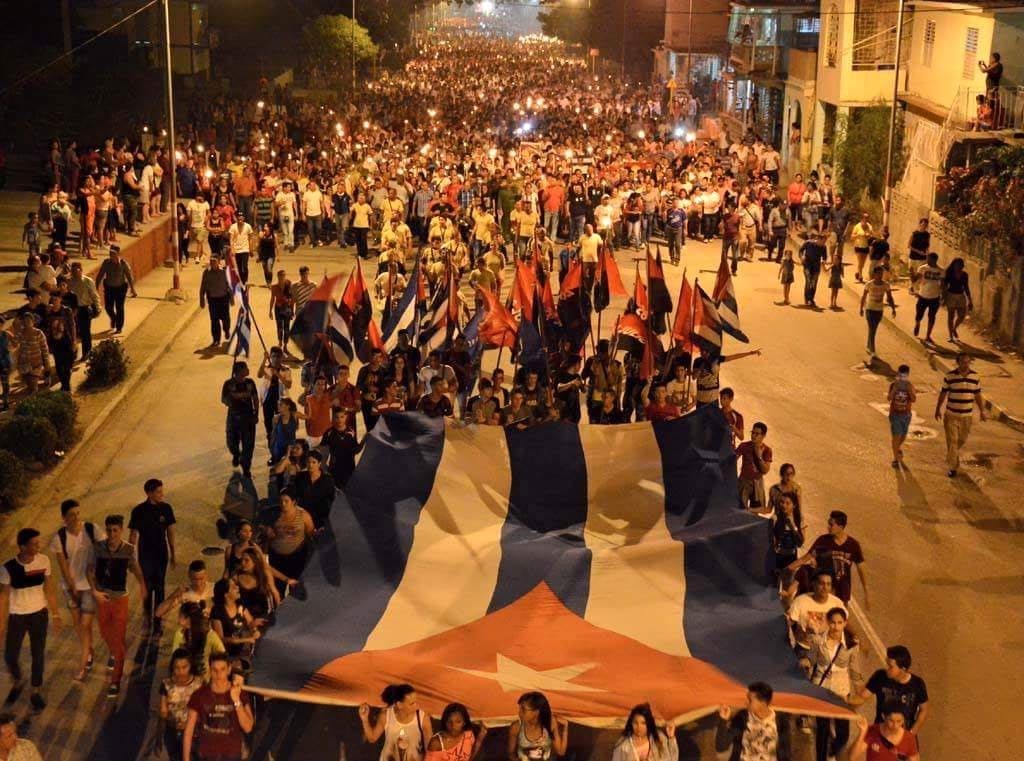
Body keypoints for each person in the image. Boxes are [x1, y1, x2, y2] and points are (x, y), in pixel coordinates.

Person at [0, 528, 62, 711]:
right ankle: (18, 681)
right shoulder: (7, 567)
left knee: (38, 654)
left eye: (38, 542)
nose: (38, 546)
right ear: (22, 546)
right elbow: (3, 597)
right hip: (17, 615)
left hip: (38, 614)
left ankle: (35, 691)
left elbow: (49, 588)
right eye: (34, 544)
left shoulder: (44, 561)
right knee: (10, 655)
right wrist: (2, 623)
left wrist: (56, 613)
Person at [88, 514, 147, 698]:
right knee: (105, 632)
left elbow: (136, 569)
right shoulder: (98, 548)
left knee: (119, 638)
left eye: (115, 530)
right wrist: (95, 591)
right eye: (109, 530)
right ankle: (113, 652)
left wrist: (142, 585)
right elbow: (89, 570)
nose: (112, 534)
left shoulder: (128, 550)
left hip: (120, 599)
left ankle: (116, 681)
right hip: (103, 598)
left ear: (121, 531)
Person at [50, 500, 101, 682]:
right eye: (72, 514)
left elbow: (103, 550)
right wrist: (72, 589)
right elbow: (63, 566)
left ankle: (85, 662)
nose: (77, 517)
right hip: (70, 587)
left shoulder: (91, 529)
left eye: (78, 513)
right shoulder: (59, 538)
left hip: (88, 585)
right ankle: (89, 651)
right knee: (78, 625)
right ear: (64, 518)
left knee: (85, 624)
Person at [806, 608, 861, 761]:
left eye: (839, 623)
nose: (836, 626)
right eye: (832, 622)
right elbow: (811, 660)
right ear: (827, 622)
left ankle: (834, 749)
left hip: (841, 691)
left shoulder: (851, 644)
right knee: (822, 730)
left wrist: (860, 694)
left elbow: (855, 670)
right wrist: (804, 662)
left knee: (843, 732)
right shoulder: (818, 641)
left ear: (845, 624)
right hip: (822, 689)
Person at [182, 653, 254, 761]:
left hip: (232, 756)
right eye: (214, 670)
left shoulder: (240, 693)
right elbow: (188, 731)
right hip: (206, 756)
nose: (218, 674)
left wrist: (236, 700)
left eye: (222, 669)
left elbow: (248, 727)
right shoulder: (199, 695)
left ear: (229, 670)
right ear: (210, 670)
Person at [128, 478, 177, 636]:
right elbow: (133, 534)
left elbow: (170, 531)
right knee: (147, 588)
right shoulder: (139, 511)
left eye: (162, 491)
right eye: (158, 492)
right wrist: (129, 556)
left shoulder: (166, 509)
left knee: (160, 588)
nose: (161, 494)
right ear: (149, 493)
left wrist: (173, 552)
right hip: (145, 556)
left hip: (161, 554)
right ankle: (147, 618)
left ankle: (158, 621)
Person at [790, 510, 867, 606]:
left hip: (841, 590)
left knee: (841, 616)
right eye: (828, 524)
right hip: (823, 589)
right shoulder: (822, 540)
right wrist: (788, 568)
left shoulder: (853, 545)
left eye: (831, 525)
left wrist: (866, 592)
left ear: (841, 527)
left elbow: (861, 568)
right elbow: (805, 558)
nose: (828, 527)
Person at [854, 645, 929, 736]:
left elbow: (923, 709)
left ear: (903, 669)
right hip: (881, 733)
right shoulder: (880, 676)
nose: (887, 669)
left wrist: (912, 733)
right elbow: (862, 697)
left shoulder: (917, 684)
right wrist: (842, 701)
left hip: (904, 735)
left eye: (890, 666)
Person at [935, 351, 985, 477]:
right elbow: (943, 393)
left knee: (961, 440)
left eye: (968, 362)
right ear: (958, 363)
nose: (965, 364)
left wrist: (982, 411)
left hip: (967, 416)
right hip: (951, 414)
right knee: (953, 441)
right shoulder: (950, 376)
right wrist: (938, 409)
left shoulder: (975, 377)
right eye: (963, 362)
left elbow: (978, 395)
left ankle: (951, 456)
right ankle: (953, 467)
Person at [714, 682, 791, 761]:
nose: (746, 702)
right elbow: (721, 747)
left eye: (750, 700)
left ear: (763, 703)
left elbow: (786, 751)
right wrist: (723, 720)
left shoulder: (781, 720)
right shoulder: (742, 717)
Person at [360, 683, 434, 761]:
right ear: (399, 704)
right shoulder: (386, 716)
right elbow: (372, 738)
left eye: (416, 702)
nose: (416, 706)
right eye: (411, 704)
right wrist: (364, 719)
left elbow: (429, 750)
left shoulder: (423, 718)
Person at [787, 570, 845, 654]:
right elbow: (789, 621)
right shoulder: (801, 601)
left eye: (828, 584)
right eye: (822, 583)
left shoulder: (837, 603)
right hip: (804, 649)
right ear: (814, 584)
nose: (825, 587)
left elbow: (845, 622)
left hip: (827, 650)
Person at [160, 649, 203, 761]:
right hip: (172, 733)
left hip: (194, 734)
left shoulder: (199, 684)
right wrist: (159, 735)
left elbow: (205, 710)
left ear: (191, 666)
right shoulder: (166, 684)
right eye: (177, 668)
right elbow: (163, 711)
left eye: (185, 667)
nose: (181, 671)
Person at [222, 361, 259, 477]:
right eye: (245, 368)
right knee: (231, 441)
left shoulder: (250, 383)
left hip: (248, 418)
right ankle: (236, 454)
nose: (248, 370)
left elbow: (255, 399)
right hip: (234, 417)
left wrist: (256, 414)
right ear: (238, 371)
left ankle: (246, 466)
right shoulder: (228, 384)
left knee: (249, 445)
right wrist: (232, 397)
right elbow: (224, 399)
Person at [508, 691, 568, 761]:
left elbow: (561, 752)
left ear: (536, 712)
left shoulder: (550, 723)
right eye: (520, 709)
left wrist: (565, 729)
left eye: (523, 710)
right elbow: (511, 754)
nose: (519, 713)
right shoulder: (516, 727)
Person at [611, 703, 677, 761]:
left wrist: (671, 737)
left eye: (643, 723)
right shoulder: (623, 746)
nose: (639, 727)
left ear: (649, 723)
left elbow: (672, 759)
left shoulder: (658, 738)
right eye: (635, 723)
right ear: (631, 723)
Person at [94, 245, 136, 334]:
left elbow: (129, 277)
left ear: (118, 254)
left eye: (113, 253)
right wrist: (96, 287)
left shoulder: (124, 264)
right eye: (110, 253)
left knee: (119, 307)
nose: (111, 255)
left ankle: (119, 327)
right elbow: (100, 275)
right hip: (109, 288)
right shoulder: (106, 263)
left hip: (120, 288)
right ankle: (113, 318)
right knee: (108, 307)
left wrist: (133, 289)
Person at [850, 709, 920, 761]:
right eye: (891, 721)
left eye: (899, 721)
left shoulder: (909, 737)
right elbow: (852, 757)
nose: (895, 725)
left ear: (904, 720)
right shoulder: (873, 730)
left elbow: (914, 759)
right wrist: (863, 731)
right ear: (883, 716)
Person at [859, 266, 896, 358]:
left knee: (873, 329)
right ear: (874, 274)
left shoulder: (886, 285)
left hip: (879, 310)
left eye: (881, 273)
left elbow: (889, 297)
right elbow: (863, 296)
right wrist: (861, 308)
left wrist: (893, 309)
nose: (880, 275)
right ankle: (873, 350)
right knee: (872, 329)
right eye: (878, 273)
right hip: (870, 309)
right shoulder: (869, 284)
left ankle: (869, 345)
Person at [199, 257, 234, 347]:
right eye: (211, 262)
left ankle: (226, 330)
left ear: (218, 262)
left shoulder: (224, 272)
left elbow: (229, 286)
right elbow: (203, 286)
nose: (212, 263)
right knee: (214, 321)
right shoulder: (207, 273)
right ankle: (216, 340)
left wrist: (231, 298)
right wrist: (202, 299)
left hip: (223, 299)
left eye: (214, 261)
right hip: (212, 300)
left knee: (225, 319)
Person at [736, 422, 772, 511]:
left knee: (756, 511)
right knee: (739, 510)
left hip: (757, 483)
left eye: (757, 434)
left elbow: (765, 470)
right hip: (744, 481)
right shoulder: (744, 446)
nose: (754, 436)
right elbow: (732, 460)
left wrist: (759, 456)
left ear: (763, 436)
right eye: (753, 433)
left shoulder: (767, 450)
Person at [887, 365, 916, 469]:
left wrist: (909, 390)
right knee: (896, 437)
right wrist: (894, 389)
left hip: (906, 415)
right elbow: (889, 398)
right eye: (900, 375)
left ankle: (897, 448)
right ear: (898, 374)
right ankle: (896, 459)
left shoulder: (910, 385)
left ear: (908, 375)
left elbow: (913, 399)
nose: (902, 377)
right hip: (895, 415)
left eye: (904, 375)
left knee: (902, 436)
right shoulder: (893, 385)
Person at [942, 256, 972, 342]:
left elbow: (966, 287)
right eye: (956, 265)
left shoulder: (964, 275)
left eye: (959, 265)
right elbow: (945, 286)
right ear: (953, 265)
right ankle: (951, 336)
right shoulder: (949, 273)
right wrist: (944, 297)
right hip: (951, 295)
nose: (958, 266)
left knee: (962, 315)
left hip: (961, 296)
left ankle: (954, 328)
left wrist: (970, 300)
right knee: (950, 317)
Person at [799, 232, 827, 307]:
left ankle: (811, 299)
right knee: (808, 281)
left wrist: (824, 261)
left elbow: (824, 257)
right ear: (818, 239)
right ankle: (806, 298)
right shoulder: (808, 243)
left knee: (814, 283)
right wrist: (802, 257)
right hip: (807, 264)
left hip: (816, 266)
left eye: (824, 241)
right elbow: (801, 251)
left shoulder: (823, 247)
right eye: (823, 241)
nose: (823, 243)